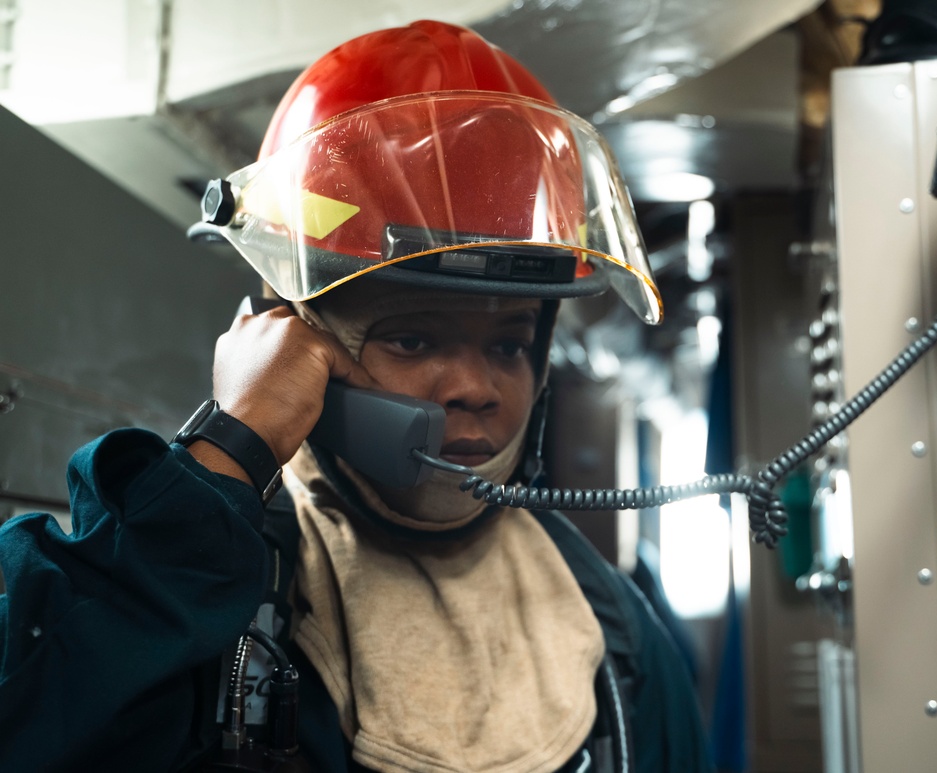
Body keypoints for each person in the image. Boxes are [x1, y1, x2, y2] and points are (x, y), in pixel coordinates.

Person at [0, 20, 712, 773]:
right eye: (411, 339)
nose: (475, 388)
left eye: (507, 344)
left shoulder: (609, 633)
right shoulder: (195, 592)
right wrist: (232, 446)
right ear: (292, 339)